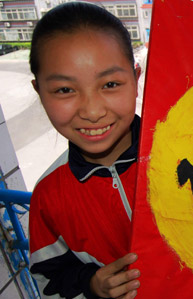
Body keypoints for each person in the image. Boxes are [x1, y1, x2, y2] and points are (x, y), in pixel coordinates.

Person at [28, 3, 142, 298]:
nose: (92, 111)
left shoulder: (188, 152)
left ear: (136, 79)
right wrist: (91, 286)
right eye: (65, 90)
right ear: (39, 92)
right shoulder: (48, 196)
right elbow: (49, 280)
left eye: (111, 84)